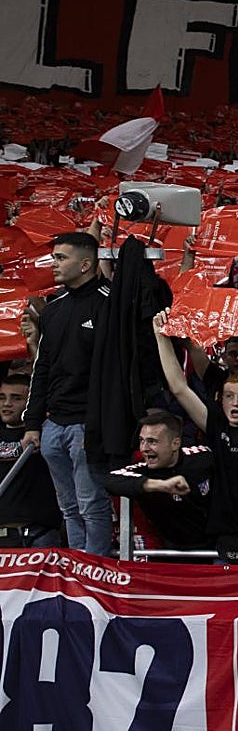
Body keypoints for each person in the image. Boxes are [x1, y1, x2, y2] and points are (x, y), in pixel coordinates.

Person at [154, 308, 238, 563]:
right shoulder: (215, 425)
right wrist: (161, 337)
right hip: (225, 537)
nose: (235, 403)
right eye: (229, 396)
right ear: (220, 399)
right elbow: (179, 388)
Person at [23, 231, 113, 555]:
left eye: (61, 258)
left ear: (86, 263)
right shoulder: (52, 309)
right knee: (69, 507)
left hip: (88, 425)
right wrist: (33, 422)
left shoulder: (108, 303)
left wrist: (98, 424)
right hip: (54, 425)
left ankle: (96, 571)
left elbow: (114, 374)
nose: (54, 264)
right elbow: (42, 368)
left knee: (91, 504)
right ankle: (77, 567)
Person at [103, 412, 213, 551]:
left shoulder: (202, 457)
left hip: (215, 549)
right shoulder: (143, 470)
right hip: (170, 553)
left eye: (152, 441)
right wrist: (160, 485)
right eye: (142, 440)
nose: (144, 448)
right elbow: (110, 480)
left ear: (175, 443)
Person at [0, 374, 61, 547]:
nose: (6, 404)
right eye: (2, 397)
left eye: (16, 398)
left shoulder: (47, 433)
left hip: (37, 534)